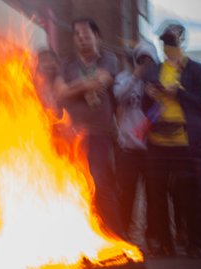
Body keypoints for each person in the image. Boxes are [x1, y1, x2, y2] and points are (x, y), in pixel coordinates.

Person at [141, 23, 201, 257]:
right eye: (165, 41)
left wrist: (177, 93)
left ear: (182, 41)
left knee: (189, 192)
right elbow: (144, 106)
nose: (168, 45)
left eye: (172, 41)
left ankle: (194, 243)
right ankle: (164, 243)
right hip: (157, 141)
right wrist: (149, 95)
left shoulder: (196, 70)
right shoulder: (154, 71)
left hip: (185, 140)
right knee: (157, 193)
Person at [56, 17, 124, 239]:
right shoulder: (67, 64)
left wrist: (73, 87)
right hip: (72, 135)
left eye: (86, 34)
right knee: (73, 185)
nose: (81, 39)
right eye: (77, 35)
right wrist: (86, 87)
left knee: (100, 184)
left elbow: (102, 81)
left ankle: (116, 236)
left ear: (97, 38)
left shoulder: (109, 59)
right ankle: (82, 236)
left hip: (98, 135)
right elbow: (60, 93)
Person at [113, 41, 159, 241]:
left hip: (151, 148)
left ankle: (152, 235)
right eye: (141, 60)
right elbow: (118, 96)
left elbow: (164, 109)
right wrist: (136, 76)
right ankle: (123, 233)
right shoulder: (124, 78)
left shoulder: (157, 82)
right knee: (126, 194)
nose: (144, 64)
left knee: (153, 195)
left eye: (149, 60)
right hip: (129, 149)